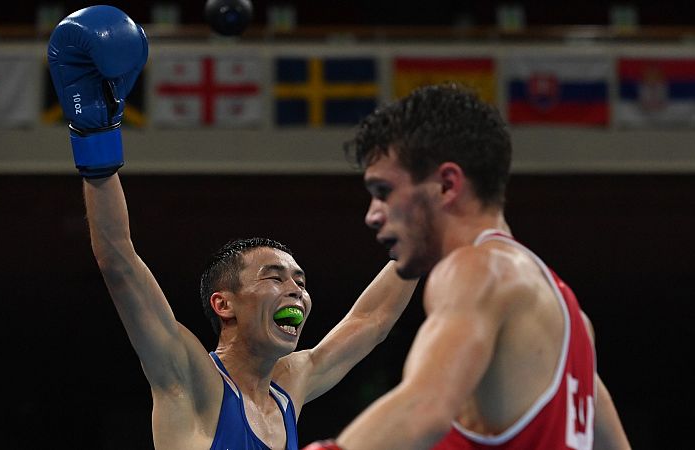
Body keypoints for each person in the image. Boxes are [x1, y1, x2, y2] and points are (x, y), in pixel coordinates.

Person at [47, 6, 418, 450]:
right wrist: (96, 142)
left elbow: (371, 319)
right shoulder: (190, 379)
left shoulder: (289, 388)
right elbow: (119, 261)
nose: (296, 291)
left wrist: (421, 235)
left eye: (300, 281)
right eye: (274, 277)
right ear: (224, 304)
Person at [303, 84, 631, 450]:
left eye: (383, 191)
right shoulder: (573, 322)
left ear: (446, 185)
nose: (372, 215)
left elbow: (423, 410)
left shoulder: (476, 269)